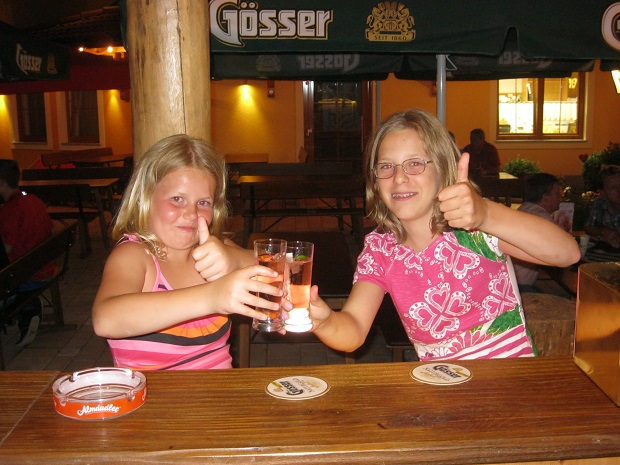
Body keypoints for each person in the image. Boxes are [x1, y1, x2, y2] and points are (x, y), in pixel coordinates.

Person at [304, 109, 580, 361]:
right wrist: (324, 321)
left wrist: (486, 213)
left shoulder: (474, 226)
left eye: (414, 163)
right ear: (375, 181)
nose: (399, 177)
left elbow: (567, 253)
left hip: (511, 384)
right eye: (386, 166)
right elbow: (353, 330)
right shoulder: (381, 249)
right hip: (441, 387)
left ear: (443, 169)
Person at [92, 134, 286, 370]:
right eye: (177, 199)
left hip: (218, 390)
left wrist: (234, 259)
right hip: (153, 393)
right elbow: (105, 319)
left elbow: (284, 266)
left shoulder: (214, 251)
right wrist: (211, 297)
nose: (191, 214)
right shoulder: (134, 255)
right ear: (145, 199)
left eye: (203, 203)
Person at [0, 159, 55, 346]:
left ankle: (28, 308)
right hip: (44, 267)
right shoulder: (33, 200)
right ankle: (27, 309)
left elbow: (6, 249)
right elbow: (50, 229)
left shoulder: (10, 210)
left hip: (25, 277)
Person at [511, 173, 563, 292]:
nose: (560, 196)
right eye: (557, 193)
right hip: (520, 287)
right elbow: (559, 254)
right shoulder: (542, 219)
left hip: (512, 280)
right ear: (545, 197)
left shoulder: (524, 209)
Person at [585, 165, 620, 248]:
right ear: (603, 193)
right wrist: (603, 232)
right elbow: (588, 227)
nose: (619, 191)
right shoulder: (600, 204)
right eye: (613, 188)